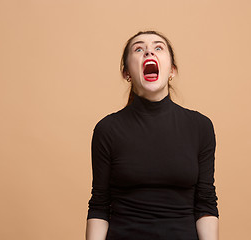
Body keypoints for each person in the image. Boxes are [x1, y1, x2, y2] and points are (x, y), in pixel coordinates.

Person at [86, 30, 219, 240]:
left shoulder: (200, 127)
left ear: (172, 70)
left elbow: (206, 203)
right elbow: (99, 205)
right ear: (126, 73)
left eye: (158, 48)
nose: (149, 52)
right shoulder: (107, 129)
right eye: (138, 49)